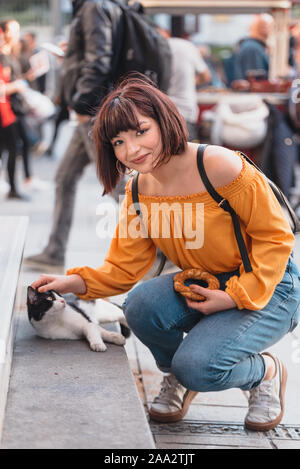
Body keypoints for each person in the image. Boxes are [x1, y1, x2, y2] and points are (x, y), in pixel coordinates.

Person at [31, 76, 300, 430]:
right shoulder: (139, 190)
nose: (132, 149)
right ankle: (179, 374)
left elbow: (276, 237)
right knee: (140, 305)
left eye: (141, 131)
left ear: (164, 119)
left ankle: (263, 373)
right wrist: (71, 282)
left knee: (199, 365)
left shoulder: (219, 166)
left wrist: (234, 295)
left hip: (271, 287)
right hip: (205, 284)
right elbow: (123, 267)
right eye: (119, 141)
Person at [24, 0, 126, 270]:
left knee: (118, 185)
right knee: (64, 178)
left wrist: (82, 103)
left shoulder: (93, 6)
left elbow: (99, 59)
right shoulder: (96, 7)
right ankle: (55, 251)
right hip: (89, 110)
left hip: (90, 112)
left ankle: (160, 248)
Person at [232, 14, 274, 90]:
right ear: (263, 28)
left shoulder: (254, 47)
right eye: (271, 26)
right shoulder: (252, 49)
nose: (273, 30)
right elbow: (256, 83)